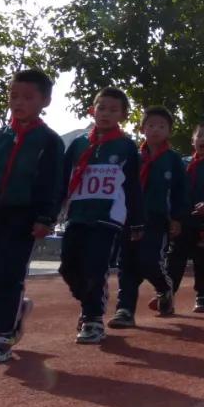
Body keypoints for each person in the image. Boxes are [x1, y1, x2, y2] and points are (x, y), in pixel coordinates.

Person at [61, 87, 144, 344]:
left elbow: (132, 186)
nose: (106, 113)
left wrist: (137, 221)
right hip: (77, 215)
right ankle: (89, 300)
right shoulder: (78, 144)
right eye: (102, 108)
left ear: (123, 115)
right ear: (92, 110)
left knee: (95, 267)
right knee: (68, 267)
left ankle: (93, 318)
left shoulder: (126, 147)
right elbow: (61, 180)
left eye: (113, 109)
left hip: (107, 218)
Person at [0, 69, 64, 362]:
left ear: (45, 101)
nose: (18, 102)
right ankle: (15, 311)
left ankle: (3, 335)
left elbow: (54, 182)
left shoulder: (49, 142)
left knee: (9, 272)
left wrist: (46, 217)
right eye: (13, 96)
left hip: (24, 216)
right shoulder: (0, 137)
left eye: (27, 97)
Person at [110, 106, 185, 326]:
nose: (156, 130)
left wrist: (177, 218)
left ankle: (163, 287)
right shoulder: (132, 155)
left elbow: (180, 192)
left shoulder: (173, 160)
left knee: (149, 260)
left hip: (156, 219)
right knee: (127, 264)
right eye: (151, 125)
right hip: (129, 217)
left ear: (169, 131)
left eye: (162, 126)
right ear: (142, 128)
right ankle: (125, 309)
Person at [168, 123, 204, 313]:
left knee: (203, 260)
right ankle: (167, 294)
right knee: (175, 258)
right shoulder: (183, 163)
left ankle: (203, 294)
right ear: (193, 140)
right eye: (200, 136)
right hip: (183, 220)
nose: (203, 140)